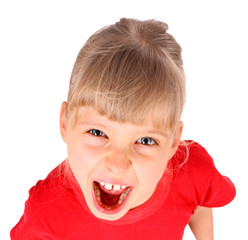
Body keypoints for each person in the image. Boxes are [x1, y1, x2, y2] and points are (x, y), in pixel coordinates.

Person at [10, 18, 236, 240]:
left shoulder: (193, 169)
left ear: (174, 143)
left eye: (146, 140)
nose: (117, 165)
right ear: (65, 123)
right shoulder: (45, 210)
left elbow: (199, 203)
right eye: (98, 133)